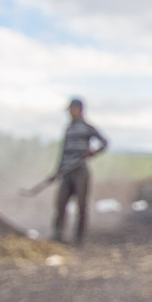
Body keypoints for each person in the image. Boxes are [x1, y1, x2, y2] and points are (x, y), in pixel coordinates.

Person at [51, 98, 107, 245]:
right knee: (60, 203)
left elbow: (104, 142)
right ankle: (57, 235)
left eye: (72, 109)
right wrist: (58, 170)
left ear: (79, 109)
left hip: (80, 171)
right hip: (66, 171)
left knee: (81, 205)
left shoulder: (87, 128)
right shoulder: (68, 128)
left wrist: (93, 152)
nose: (70, 112)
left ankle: (79, 238)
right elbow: (63, 152)